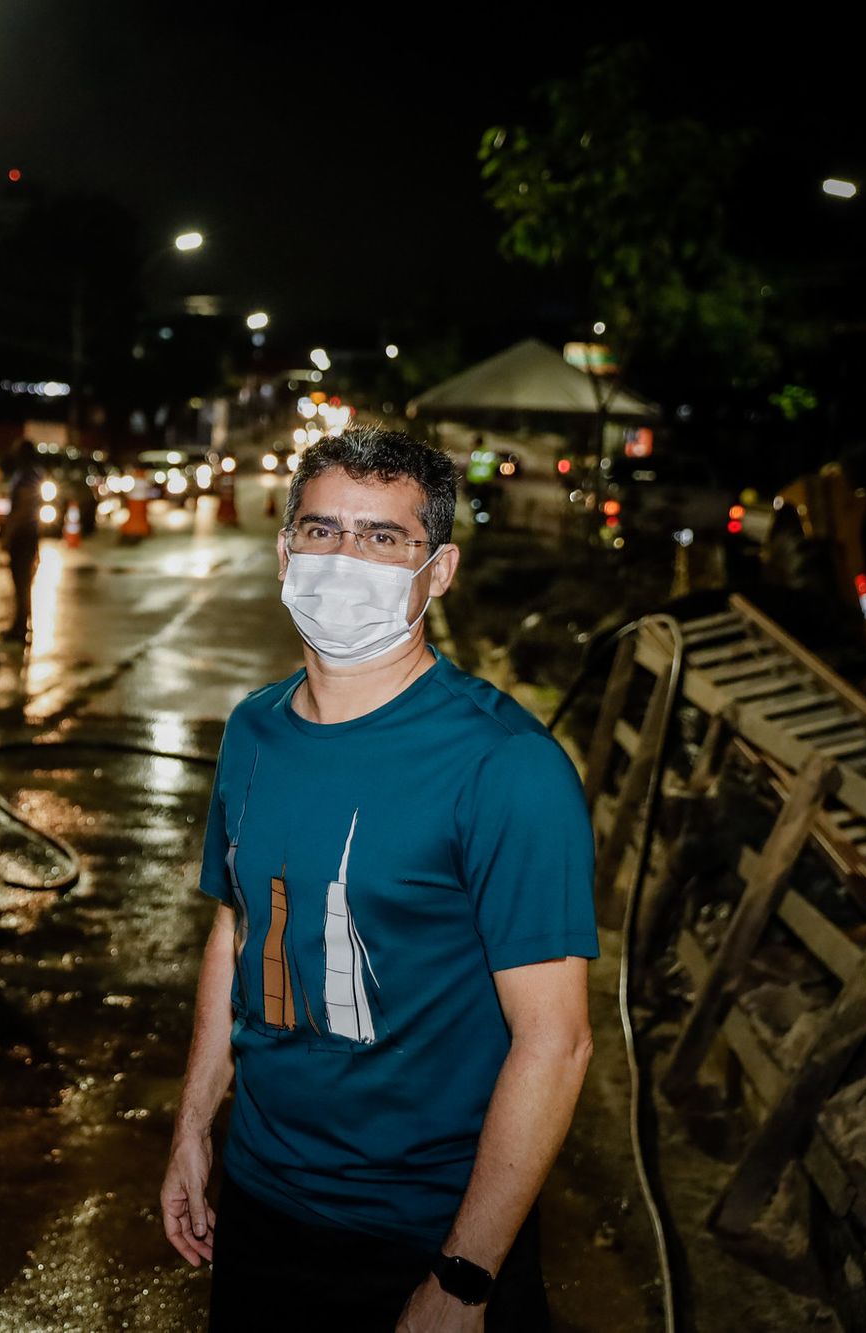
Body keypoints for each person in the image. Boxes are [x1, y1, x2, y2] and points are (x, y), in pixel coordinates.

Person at [160, 429, 595, 1331]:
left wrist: (465, 1277)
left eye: (381, 537)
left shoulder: (507, 766)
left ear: (437, 571)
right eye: (321, 530)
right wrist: (195, 1122)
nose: (342, 557)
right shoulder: (252, 730)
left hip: (429, 1227)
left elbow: (556, 1043)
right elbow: (235, 928)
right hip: (265, 1206)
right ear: (284, 551)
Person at [1, 441, 46, 642]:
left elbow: (23, 508)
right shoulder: (34, 474)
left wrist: (8, 534)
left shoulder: (26, 475)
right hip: (29, 533)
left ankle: (20, 627)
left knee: (21, 581)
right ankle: (22, 624)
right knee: (24, 582)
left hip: (22, 535)